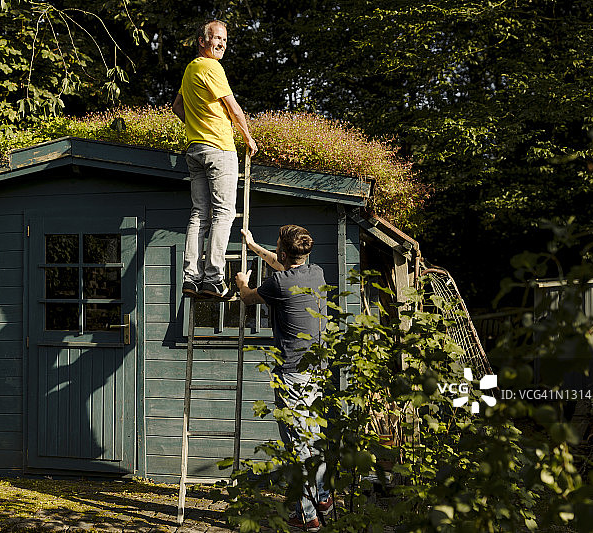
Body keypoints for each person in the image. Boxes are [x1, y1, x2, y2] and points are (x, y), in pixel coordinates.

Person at [235, 225, 332, 532]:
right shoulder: (315, 273)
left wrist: (241, 282)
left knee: (296, 445)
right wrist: (255, 248)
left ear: (284, 252)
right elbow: (282, 270)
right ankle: (325, 497)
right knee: (313, 435)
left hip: (291, 374)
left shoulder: (277, 283)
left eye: (276, 247)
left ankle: (307, 516)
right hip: (317, 369)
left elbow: (249, 298)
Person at [173, 19, 258, 300]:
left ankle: (191, 277)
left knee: (199, 214)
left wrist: (197, 126)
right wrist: (248, 137)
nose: (221, 43)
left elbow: (177, 107)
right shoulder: (212, 67)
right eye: (216, 38)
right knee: (224, 213)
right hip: (219, 149)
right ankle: (214, 278)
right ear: (202, 40)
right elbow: (233, 107)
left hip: (194, 149)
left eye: (224, 40)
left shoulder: (190, 70)